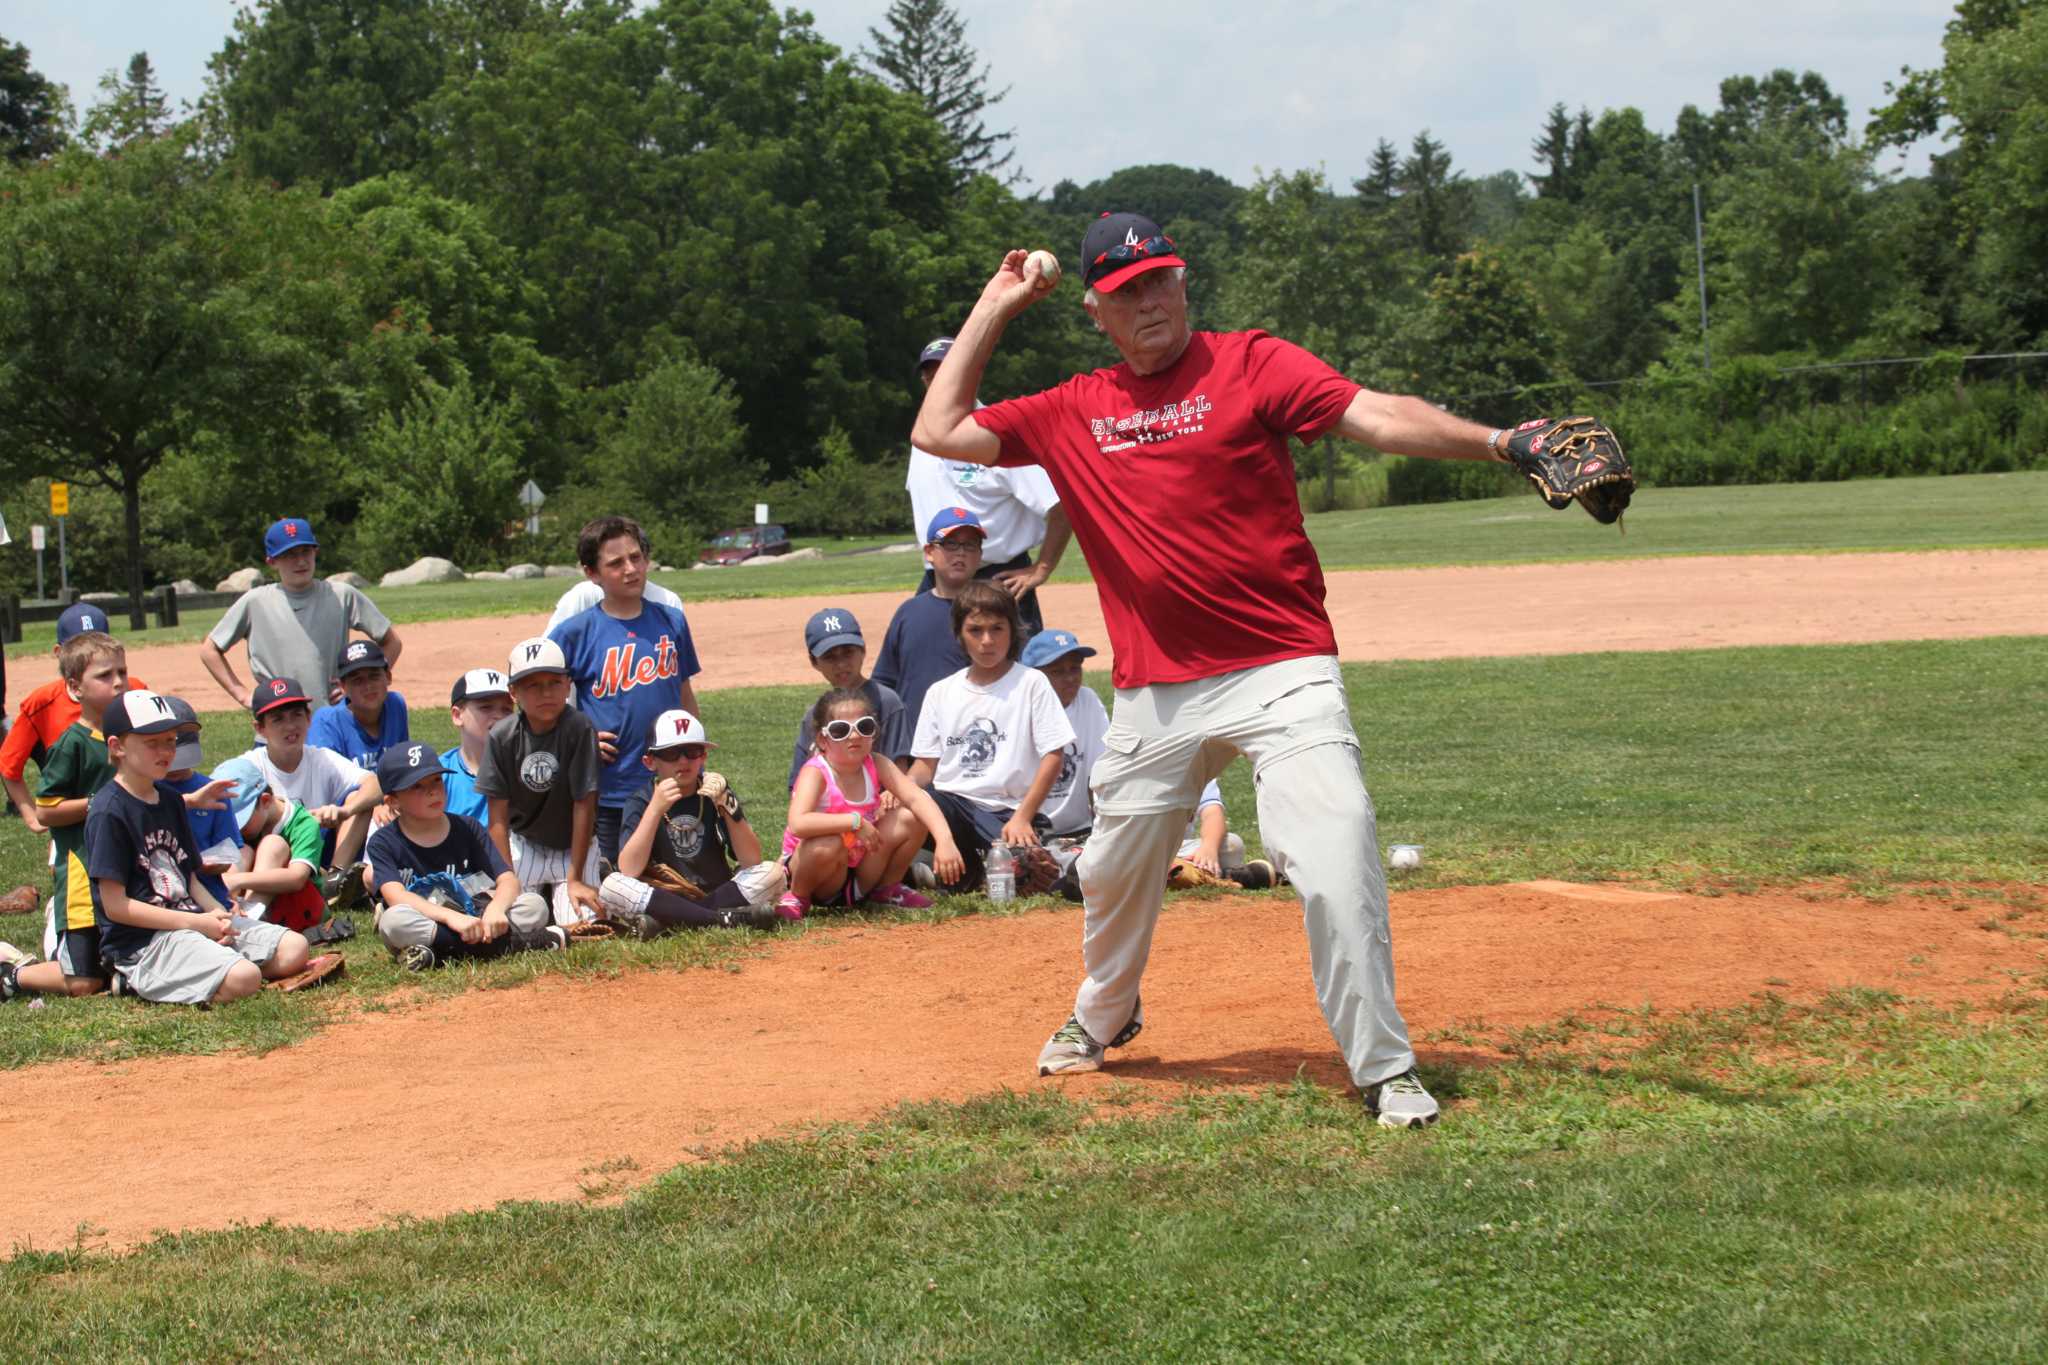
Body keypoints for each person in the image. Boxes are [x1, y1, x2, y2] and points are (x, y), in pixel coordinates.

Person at [912, 213, 1558, 1127]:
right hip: (1153, 690)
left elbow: (1374, 415)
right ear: (1096, 308)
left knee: (1336, 851)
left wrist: (1499, 443)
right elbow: (937, 426)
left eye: (1163, 280)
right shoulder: (1070, 409)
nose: (1151, 301)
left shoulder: (1252, 363)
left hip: (1282, 665)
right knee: (1108, 871)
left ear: (1185, 283)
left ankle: (1384, 1064)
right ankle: (1106, 1011)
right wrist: (997, 304)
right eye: (1128, 291)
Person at [85, 690, 317, 1006]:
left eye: (170, 740)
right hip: (143, 942)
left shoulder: (169, 800)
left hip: (192, 920)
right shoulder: (109, 811)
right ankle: (132, 979)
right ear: (117, 747)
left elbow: (188, 878)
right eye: (151, 742)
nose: (165, 750)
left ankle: (207, 970)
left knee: (295, 949)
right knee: (244, 977)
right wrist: (198, 924)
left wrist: (217, 915)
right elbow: (115, 906)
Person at [547, 516, 702, 864]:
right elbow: (538, 702)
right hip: (611, 785)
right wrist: (574, 736)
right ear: (592, 573)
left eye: (636, 557)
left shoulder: (671, 620)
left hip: (670, 775)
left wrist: (694, 752)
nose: (631, 569)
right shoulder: (576, 632)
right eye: (616, 563)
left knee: (683, 873)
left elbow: (684, 693)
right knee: (620, 874)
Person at [906, 581, 1073, 892]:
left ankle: (953, 873)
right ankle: (941, 868)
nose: (987, 640)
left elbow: (1054, 754)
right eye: (975, 630)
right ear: (959, 633)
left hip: (1009, 811)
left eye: (997, 628)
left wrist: (1023, 817)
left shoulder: (1031, 683)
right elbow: (924, 767)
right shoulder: (941, 692)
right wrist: (899, 789)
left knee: (1027, 866)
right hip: (952, 806)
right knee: (912, 809)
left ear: (1013, 630)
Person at [908, 336, 1073, 637]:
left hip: (994, 579)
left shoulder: (998, 431)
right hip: (937, 580)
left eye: (947, 373)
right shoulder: (922, 439)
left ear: (970, 373)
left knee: (1012, 679)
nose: (937, 382)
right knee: (929, 673)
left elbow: (1062, 504)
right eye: (930, 375)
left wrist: (1042, 568)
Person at [367, 740, 566, 971]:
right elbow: (396, 897)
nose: (432, 791)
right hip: (432, 920)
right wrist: (450, 918)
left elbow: (508, 880)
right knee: (393, 922)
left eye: (436, 780)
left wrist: (496, 909)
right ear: (393, 801)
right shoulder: (383, 842)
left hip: (479, 916)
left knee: (534, 905)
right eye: (417, 787)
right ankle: (513, 944)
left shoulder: (467, 827)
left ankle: (438, 953)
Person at [4, 630, 128, 1000]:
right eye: (105, 676)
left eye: (122, 671)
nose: (119, 682)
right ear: (75, 688)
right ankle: (13, 974)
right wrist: (99, 803)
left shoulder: (130, 737)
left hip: (123, 870)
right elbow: (46, 810)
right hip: (81, 873)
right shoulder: (71, 744)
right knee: (83, 984)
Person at [599, 710, 788, 933]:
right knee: (612, 887)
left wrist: (727, 803)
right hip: (665, 896)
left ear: (703, 757)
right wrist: (655, 809)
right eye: (671, 753)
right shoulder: (642, 799)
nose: (683, 760)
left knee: (773, 873)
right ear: (650, 762)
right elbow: (629, 869)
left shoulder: (715, 791)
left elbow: (751, 860)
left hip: (716, 892)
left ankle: (673, 922)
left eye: (692, 751)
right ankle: (725, 919)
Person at [781, 688, 961, 919]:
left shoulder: (876, 763)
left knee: (911, 816)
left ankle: (886, 889)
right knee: (828, 842)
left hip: (860, 869)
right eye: (840, 730)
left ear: (874, 733)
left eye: (864, 727)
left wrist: (945, 840)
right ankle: (798, 897)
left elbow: (916, 798)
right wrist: (853, 821)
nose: (854, 736)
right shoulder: (816, 772)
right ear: (822, 740)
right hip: (818, 873)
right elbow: (798, 823)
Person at [200, 516, 403, 711]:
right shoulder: (255, 602)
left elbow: (392, 642)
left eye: (306, 551)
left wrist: (360, 687)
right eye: (289, 554)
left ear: (315, 552)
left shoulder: (341, 595)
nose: (300, 561)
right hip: (277, 721)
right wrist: (243, 695)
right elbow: (209, 650)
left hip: (334, 721)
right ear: (272, 561)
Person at [476, 638, 602, 924]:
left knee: (581, 922)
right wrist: (506, 878)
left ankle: (585, 876)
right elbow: (497, 817)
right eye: (532, 685)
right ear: (513, 692)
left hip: (573, 845)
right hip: (525, 843)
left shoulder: (579, 728)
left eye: (554, 682)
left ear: (568, 684)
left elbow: (585, 804)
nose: (546, 693)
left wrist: (576, 878)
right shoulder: (502, 736)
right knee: (516, 917)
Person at [2, 603, 149, 834]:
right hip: (76, 827)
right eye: (80, 645)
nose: (117, 681)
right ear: (59, 653)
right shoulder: (42, 702)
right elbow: (9, 765)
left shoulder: (136, 690)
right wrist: (32, 819)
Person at [243, 677, 381, 888]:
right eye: (278, 719)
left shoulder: (321, 758)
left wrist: (344, 810)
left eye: (297, 715)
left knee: (358, 799)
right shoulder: (249, 767)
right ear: (259, 728)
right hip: (270, 858)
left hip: (317, 856)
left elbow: (375, 784)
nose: (290, 726)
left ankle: (336, 881)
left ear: (309, 718)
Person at [869, 507, 980, 743]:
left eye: (970, 545)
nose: (961, 553)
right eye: (951, 544)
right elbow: (884, 681)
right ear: (930, 552)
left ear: (979, 555)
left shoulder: (992, 614)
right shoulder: (909, 613)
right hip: (914, 743)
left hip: (975, 741)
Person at [210, 754, 335, 934]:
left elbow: (297, 878)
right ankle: (228, 907)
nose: (236, 830)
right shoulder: (244, 830)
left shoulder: (304, 823)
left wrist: (236, 880)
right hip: (253, 906)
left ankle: (250, 920)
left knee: (272, 844)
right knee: (241, 849)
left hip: (302, 907)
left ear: (266, 801)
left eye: (241, 823)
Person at [787, 608, 907, 783]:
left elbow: (900, 768)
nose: (841, 664)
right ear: (814, 662)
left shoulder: (886, 701)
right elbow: (798, 783)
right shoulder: (815, 714)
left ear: (863, 650)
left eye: (848, 652)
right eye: (830, 657)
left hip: (879, 804)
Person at [1023, 627, 1109, 841]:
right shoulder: (1020, 707)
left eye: (1075, 668)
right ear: (1033, 676)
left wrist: (1101, 829)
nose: (1070, 678)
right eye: (1057, 671)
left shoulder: (1087, 700)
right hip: (1028, 828)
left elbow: (1099, 772)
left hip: (1079, 828)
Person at [306, 639, 409, 769]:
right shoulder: (327, 723)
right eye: (357, 680)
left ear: (388, 677)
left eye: (374, 676)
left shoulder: (395, 705)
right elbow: (324, 784)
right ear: (343, 687)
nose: (368, 686)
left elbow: (405, 770)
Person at [441, 668, 514, 825]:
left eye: (507, 709)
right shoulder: (440, 775)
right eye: (486, 707)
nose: (499, 716)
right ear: (457, 715)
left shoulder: (524, 768)